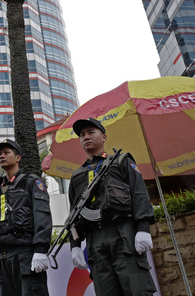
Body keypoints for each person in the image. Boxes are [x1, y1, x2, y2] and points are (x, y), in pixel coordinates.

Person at [68, 117, 156, 296]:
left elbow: (139, 194)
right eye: (82, 134)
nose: (86, 137)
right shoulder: (77, 176)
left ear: (104, 137)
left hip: (123, 234)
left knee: (137, 288)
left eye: (91, 132)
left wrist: (143, 228)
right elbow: (74, 214)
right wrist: (75, 245)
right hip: (95, 240)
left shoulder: (121, 161)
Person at [0, 139, 52, 296]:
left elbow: (42, 214)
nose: (2, 156)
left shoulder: (31, 182)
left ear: (18, 158)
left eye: (6, 152)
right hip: (3, 260)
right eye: (0, 154)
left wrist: (41, 250)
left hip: (26, 256)